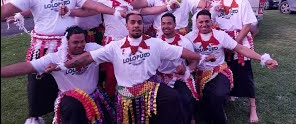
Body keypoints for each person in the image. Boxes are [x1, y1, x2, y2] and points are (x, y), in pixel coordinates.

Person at [0, 0, 126, 124]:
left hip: (70, 42)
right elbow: (7, 9)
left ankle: (70, 107)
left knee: (75, 74)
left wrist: (114, 11)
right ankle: (36, 115)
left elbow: (91, 5)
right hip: (43, 44)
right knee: (38, 77)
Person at [61, 11, 216, 124]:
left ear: (143, 25)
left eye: (139, 22)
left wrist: (201, 57)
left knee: (173, 98)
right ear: (127, 25)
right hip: (127, 92)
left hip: (150, 87)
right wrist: (62, 65)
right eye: (133, 22)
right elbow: (89, 57)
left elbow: (181, 51)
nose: (136, 25)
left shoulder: (155, 43)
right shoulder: (114, 46)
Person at [1, 26, 115, 124]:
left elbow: (113, 52)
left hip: (95, 97)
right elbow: (27, 67)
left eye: (82, 41)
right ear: (66, 42)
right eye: (75, 42)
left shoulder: (93, 48)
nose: (80, 45)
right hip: (71, 103)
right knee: (74, 107)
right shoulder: (55, 58)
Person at [185, 10, 278, 124]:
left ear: (211, 21)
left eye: (207, 21)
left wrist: (263, 59)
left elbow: (241, 49)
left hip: (218, 71)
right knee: (201, 100)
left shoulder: (220, 35)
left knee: (218, 95)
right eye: (200, 22)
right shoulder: (189, 37)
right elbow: (179, 51)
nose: (204, 24)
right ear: (196, 23)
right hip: (198, 73)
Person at [96, 0, 180, 99]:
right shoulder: (104, 2)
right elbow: (89, 9)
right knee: (111, 75)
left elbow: (148, 10)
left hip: (133, 42)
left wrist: (167, 7)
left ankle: (137, 100)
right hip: (113, 42)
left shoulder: (133, 3)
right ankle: (113, 102)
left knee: (133, 73)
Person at [215, 0, 261, 123]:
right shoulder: (217, 3)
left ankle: (252, 107)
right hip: (224, 41)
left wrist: (235, 43)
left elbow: (248, 25)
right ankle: (230, 94)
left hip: (239, 39)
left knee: (245, 73)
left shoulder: (242, 1)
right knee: (227, 70)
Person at [158, 12, 198, 124]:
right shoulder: (156, 42)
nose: (166, 26)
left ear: (175, 25)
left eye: (169, 23)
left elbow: (194, 62)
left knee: (184, 98)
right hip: (160, 78)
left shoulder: (184, 42)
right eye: (163, 23)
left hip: (179, 78)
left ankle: (189, 119)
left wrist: (186, 70)